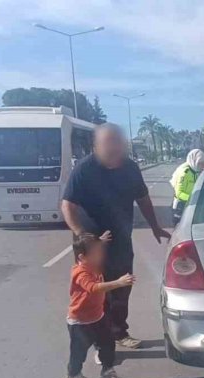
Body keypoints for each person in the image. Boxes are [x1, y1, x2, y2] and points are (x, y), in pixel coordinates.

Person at [61, 123, 171, 352]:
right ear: (96, 145)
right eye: (108, 144)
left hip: (121, 242)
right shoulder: (84, 169)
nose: (114, 149)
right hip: (91, 249)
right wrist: (84, 237)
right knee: (93, 292)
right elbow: (67, 206)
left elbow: (143, 199)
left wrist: (155, 226)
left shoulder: (130, 168)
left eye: (117, 143)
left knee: (121, 290)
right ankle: (96, 339)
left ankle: (118, 332)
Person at [65, 233, 135, 378]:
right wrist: (118, 282)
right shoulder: (80, 272)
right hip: (80, 322)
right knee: (79, 352)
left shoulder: (93, 264)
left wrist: (99, 242)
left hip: (98, 317)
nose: (101, 254)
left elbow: (94, 250)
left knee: (108, 344)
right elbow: (93, 288)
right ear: (82, 257)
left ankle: (107, 371)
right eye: (97, 253)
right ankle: (73, 377)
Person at [171, 149, 204, 225]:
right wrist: (193, 198)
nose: (202, 166)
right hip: (180, 206)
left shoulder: (197, 172)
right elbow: (179, 193)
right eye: (201, 163)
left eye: (203, 163)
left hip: (192, 205)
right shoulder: (184, 173)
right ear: (194, 161)